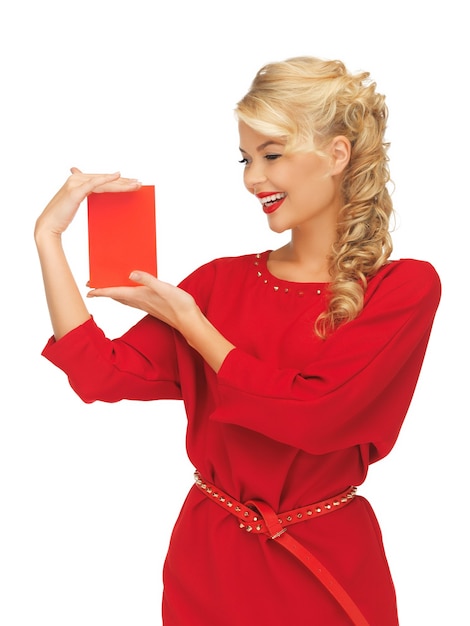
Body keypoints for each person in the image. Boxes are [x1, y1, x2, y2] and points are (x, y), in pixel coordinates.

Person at [35, 56, 441, 626]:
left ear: (338, 154)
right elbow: (101, 374)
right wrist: (49, 238)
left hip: (323, 559)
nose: (253, 179)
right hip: (210, 558)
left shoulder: (403, 287)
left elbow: (314, 413)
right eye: (246, 159)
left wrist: (193, 325)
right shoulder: (219, 281)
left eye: (271, 155)